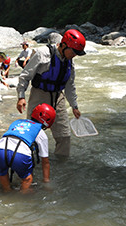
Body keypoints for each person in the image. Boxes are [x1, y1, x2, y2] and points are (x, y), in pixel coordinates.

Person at [16, 29, 86, 158]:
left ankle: (62, 166)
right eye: (74, 52)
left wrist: (74, 106)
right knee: (32, 133)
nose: (75, 55)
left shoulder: (69, 61)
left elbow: (70, 86)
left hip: (58, 97)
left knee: (64, 135)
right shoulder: (42, 54)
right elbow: (25, 76)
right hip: (39, 95)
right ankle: (28, 163)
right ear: (64, 45)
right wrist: (21, 97)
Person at [0, 103, 56, 192]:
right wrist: (46, 180)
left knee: (2, 172)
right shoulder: (40, 132)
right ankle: (22, 196)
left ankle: (7, 191)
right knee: (27, 179)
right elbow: (45, 161)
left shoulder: (18, 122)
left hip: (0, 149)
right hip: (20, 154)